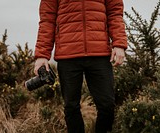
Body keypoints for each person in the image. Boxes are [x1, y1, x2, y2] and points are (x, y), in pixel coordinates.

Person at [34, 0, 127, 132]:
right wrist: (42, 55)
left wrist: (119, 43)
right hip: (68, 54)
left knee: (107, 106)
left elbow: (115, 14)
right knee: (71, 107)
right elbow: (47, 21)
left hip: (99, 53)